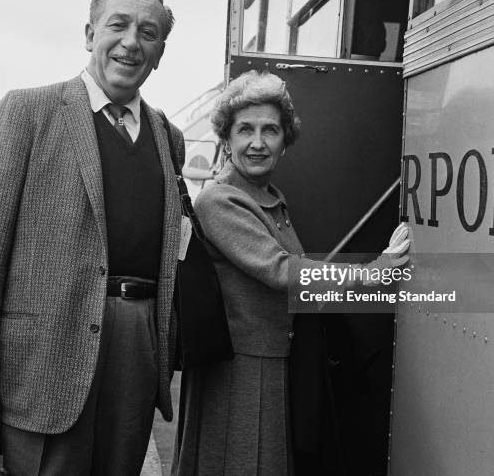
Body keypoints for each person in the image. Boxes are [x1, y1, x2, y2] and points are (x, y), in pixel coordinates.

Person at [0, 0, 185, 476]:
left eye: (148, 33)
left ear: (160, 53)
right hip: (43, 359)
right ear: (88, 34)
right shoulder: (28, 112)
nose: (131, 42)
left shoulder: (170, 136)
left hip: (136, 351)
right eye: (117, 25)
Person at [172, 70, 410, 475]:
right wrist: (372, 273)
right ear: (226, 140)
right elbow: (283, 271)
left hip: (275, 363)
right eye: (245, 129)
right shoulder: (221, 201)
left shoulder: (267, 199)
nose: (258, 142)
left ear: (286, 142)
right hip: (240, 371)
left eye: (271, 130)